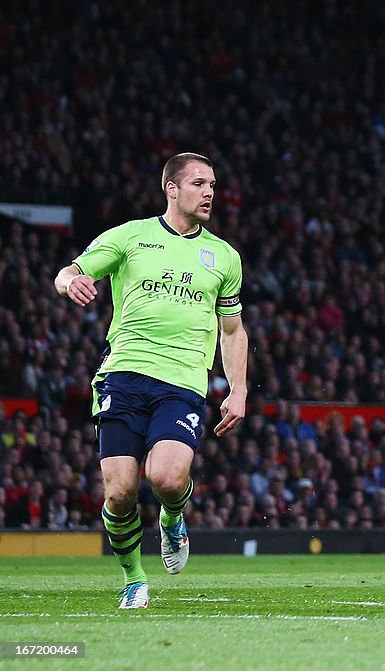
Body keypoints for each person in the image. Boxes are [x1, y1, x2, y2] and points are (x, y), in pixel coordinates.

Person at [53, 152, 248, 609]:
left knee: (164, 476)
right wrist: (70, 284)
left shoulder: (223, 256)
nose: (209, 193)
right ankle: (134, 578)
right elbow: (70, 271)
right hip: (122, 376)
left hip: (181, 383)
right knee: (119, 492)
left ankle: (174, 517)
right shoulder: (131, 236)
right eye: (199, 183)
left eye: (213, 185)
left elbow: (233, 329)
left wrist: (238, 389)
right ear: (172, 189)